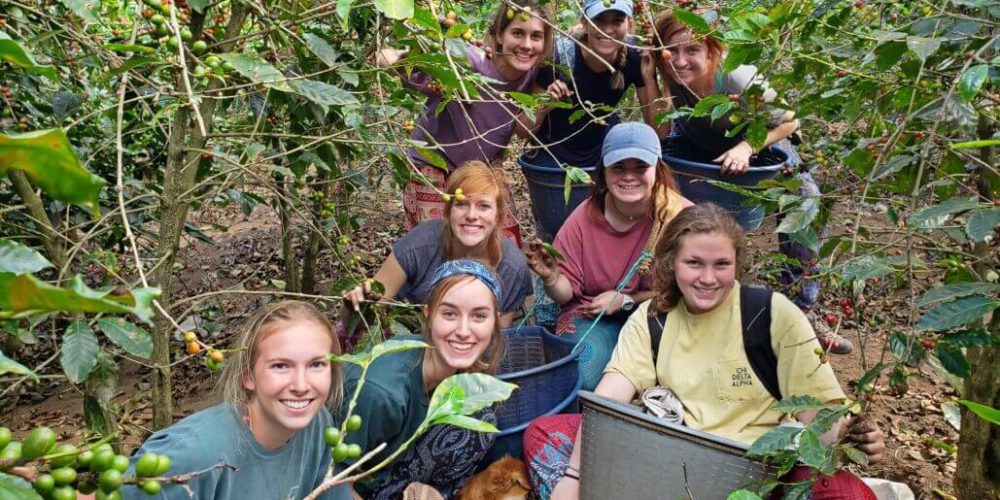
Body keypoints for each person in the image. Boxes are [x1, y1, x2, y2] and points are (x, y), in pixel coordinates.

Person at [523, 204, 886, 500]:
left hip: (752, 474)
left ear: (737, 265)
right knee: (544, 434)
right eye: (694, 263)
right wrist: (572, 477)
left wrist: (852, 435)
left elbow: (818, 419)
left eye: (721, 265)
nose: (708, 278)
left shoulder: (772, 316)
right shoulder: (654, 319)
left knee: (847, 493)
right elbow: (606, 405)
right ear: (671, 264)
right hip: (670, 464)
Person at [653, 10, 848, 352]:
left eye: (692, 51)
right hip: (702, 143)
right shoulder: (667, 68)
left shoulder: (736, 77)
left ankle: (801, 314)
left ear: (712, 50)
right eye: (673, 52)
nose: (681, 61)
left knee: (808, 204)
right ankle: (681, 303)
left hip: (760, 141)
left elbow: (790, 120)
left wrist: (746, 147)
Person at [123, 301, 350, 499]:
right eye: (280, 366)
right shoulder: (190, 455)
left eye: (316, 365)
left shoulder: (319, 424)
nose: (301, 386)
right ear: (247, 376)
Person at [524, 122, 692, 391]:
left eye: (640, 167)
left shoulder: (680, 217)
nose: (629, 176)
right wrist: (552, 277)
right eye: (618, 168)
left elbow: (693, 290)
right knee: (581, 375)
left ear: (658, 169)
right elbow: (566, 294)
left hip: (664, 314)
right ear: (603, 171)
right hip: (594, 316)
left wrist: (627, 300)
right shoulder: (584, 218)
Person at [377, 2, 555, 244]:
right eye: (517, 33)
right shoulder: (467, 62)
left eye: (536, 36)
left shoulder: (535, 78)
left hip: (481, 171)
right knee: (437, 247)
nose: (526, 44)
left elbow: (523, 129)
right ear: (499, 35)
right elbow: (385, 60)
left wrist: (544, 104)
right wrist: (418, 51)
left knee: (506, 247)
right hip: (433, 167)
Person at [341, 259, 506, 499]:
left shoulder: (457, 371)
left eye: (479, 316)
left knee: (480, 416)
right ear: (428, 315)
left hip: (394, 462)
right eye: (449, 313)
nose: (463, 330)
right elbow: (332, 478)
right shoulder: (382, 392)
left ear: (495, 322)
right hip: (342, 479)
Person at [339, 162, 531, 349]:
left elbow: (495, 344)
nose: (472, 215)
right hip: (409, 339)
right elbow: (363, 318)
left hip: (470, 352)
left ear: (498, 217)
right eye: (462, 204)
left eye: (483, 206)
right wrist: (354, 307)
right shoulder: (420, 245)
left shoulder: (511, 266)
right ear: (447, 212)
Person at [521, 0, 664, 172]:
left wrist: (649, 78)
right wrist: (544, 104)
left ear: (629, 25)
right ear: (584, 24)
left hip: (602, 154)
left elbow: (660, 133)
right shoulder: (558, 58)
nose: (608, 30)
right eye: (599, 20)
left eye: (617, 21)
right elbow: (522, 131)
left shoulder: (635, 58)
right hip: (551, 157)